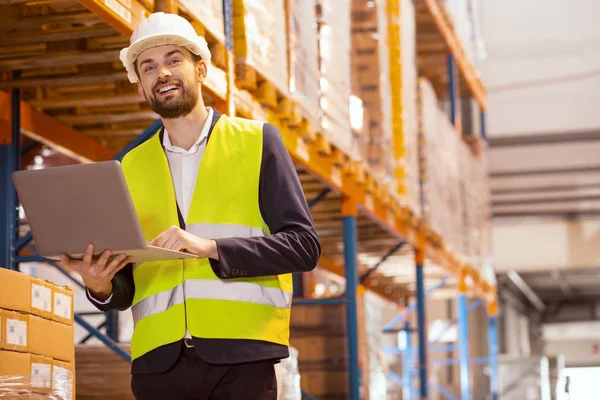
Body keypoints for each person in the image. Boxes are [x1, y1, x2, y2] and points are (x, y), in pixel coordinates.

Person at [60, 12, 321, 400]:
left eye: (172, 60)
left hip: (241, 358)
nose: (161, 73)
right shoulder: (130, 167)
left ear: (200, 70)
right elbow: (127, 284)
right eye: (148, 67)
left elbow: (303, 246)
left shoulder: (256, 142)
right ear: (141, 87)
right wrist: (99, 285)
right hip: (157, 366)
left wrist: (211, 247)